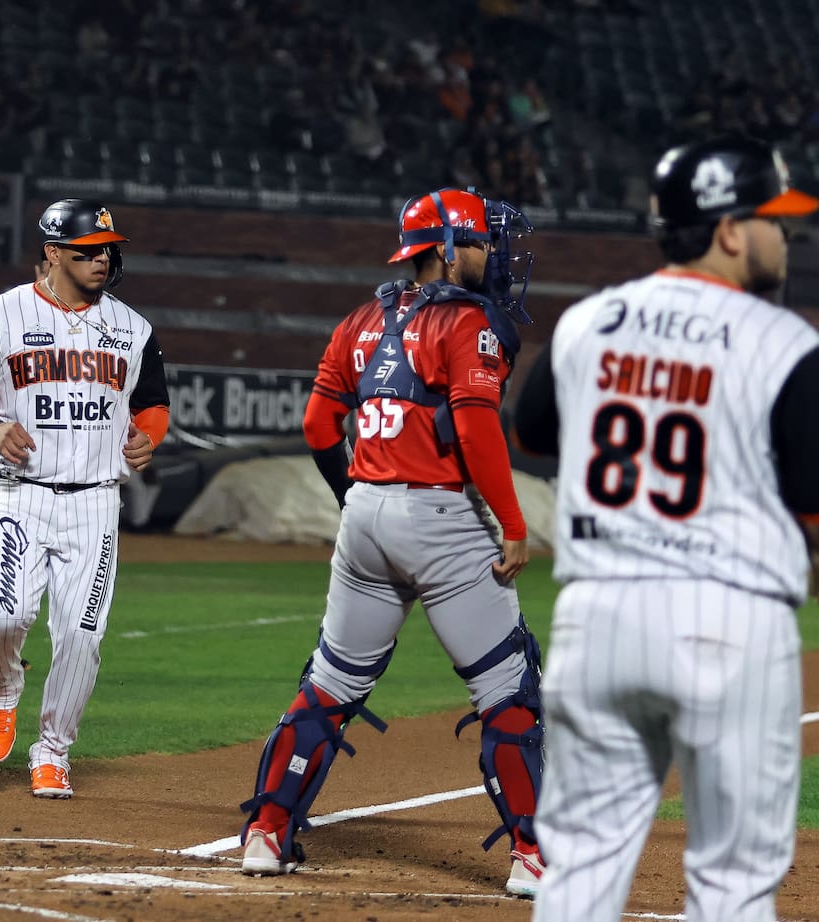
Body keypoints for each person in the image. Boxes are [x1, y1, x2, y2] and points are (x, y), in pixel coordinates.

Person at [512, 134, 819, 922]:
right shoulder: (786, 343)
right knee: (732, 883)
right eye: (773, 221)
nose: (786, 237)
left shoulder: (588, 322)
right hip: (729, 620)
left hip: (597, 619)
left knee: (578, 867)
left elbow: (535, 430)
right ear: (727, 230)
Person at [237, 188, 546, 897]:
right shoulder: (470, 323)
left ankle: (266, 833)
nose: (492, 253)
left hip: (365, 519)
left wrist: (355, 501)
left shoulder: (361, 316)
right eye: (479, 240)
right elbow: (474, 427)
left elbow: (319, 426)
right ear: (443, 248)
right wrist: (515, 524)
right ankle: (533, 856)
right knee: (509, 691)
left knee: (330, 685)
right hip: (442, 522)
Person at [0, 198, 170, 799]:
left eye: (108, 250)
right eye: (87, 252)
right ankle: (1, 688)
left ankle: (52, 750)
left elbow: (152, 402)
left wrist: (150, 435)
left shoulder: (133, 327)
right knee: (4, 617)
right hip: (18, 494)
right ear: (51, 253)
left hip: (96, 503)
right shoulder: (2, 315)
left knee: (82, 636)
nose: (103, 260)